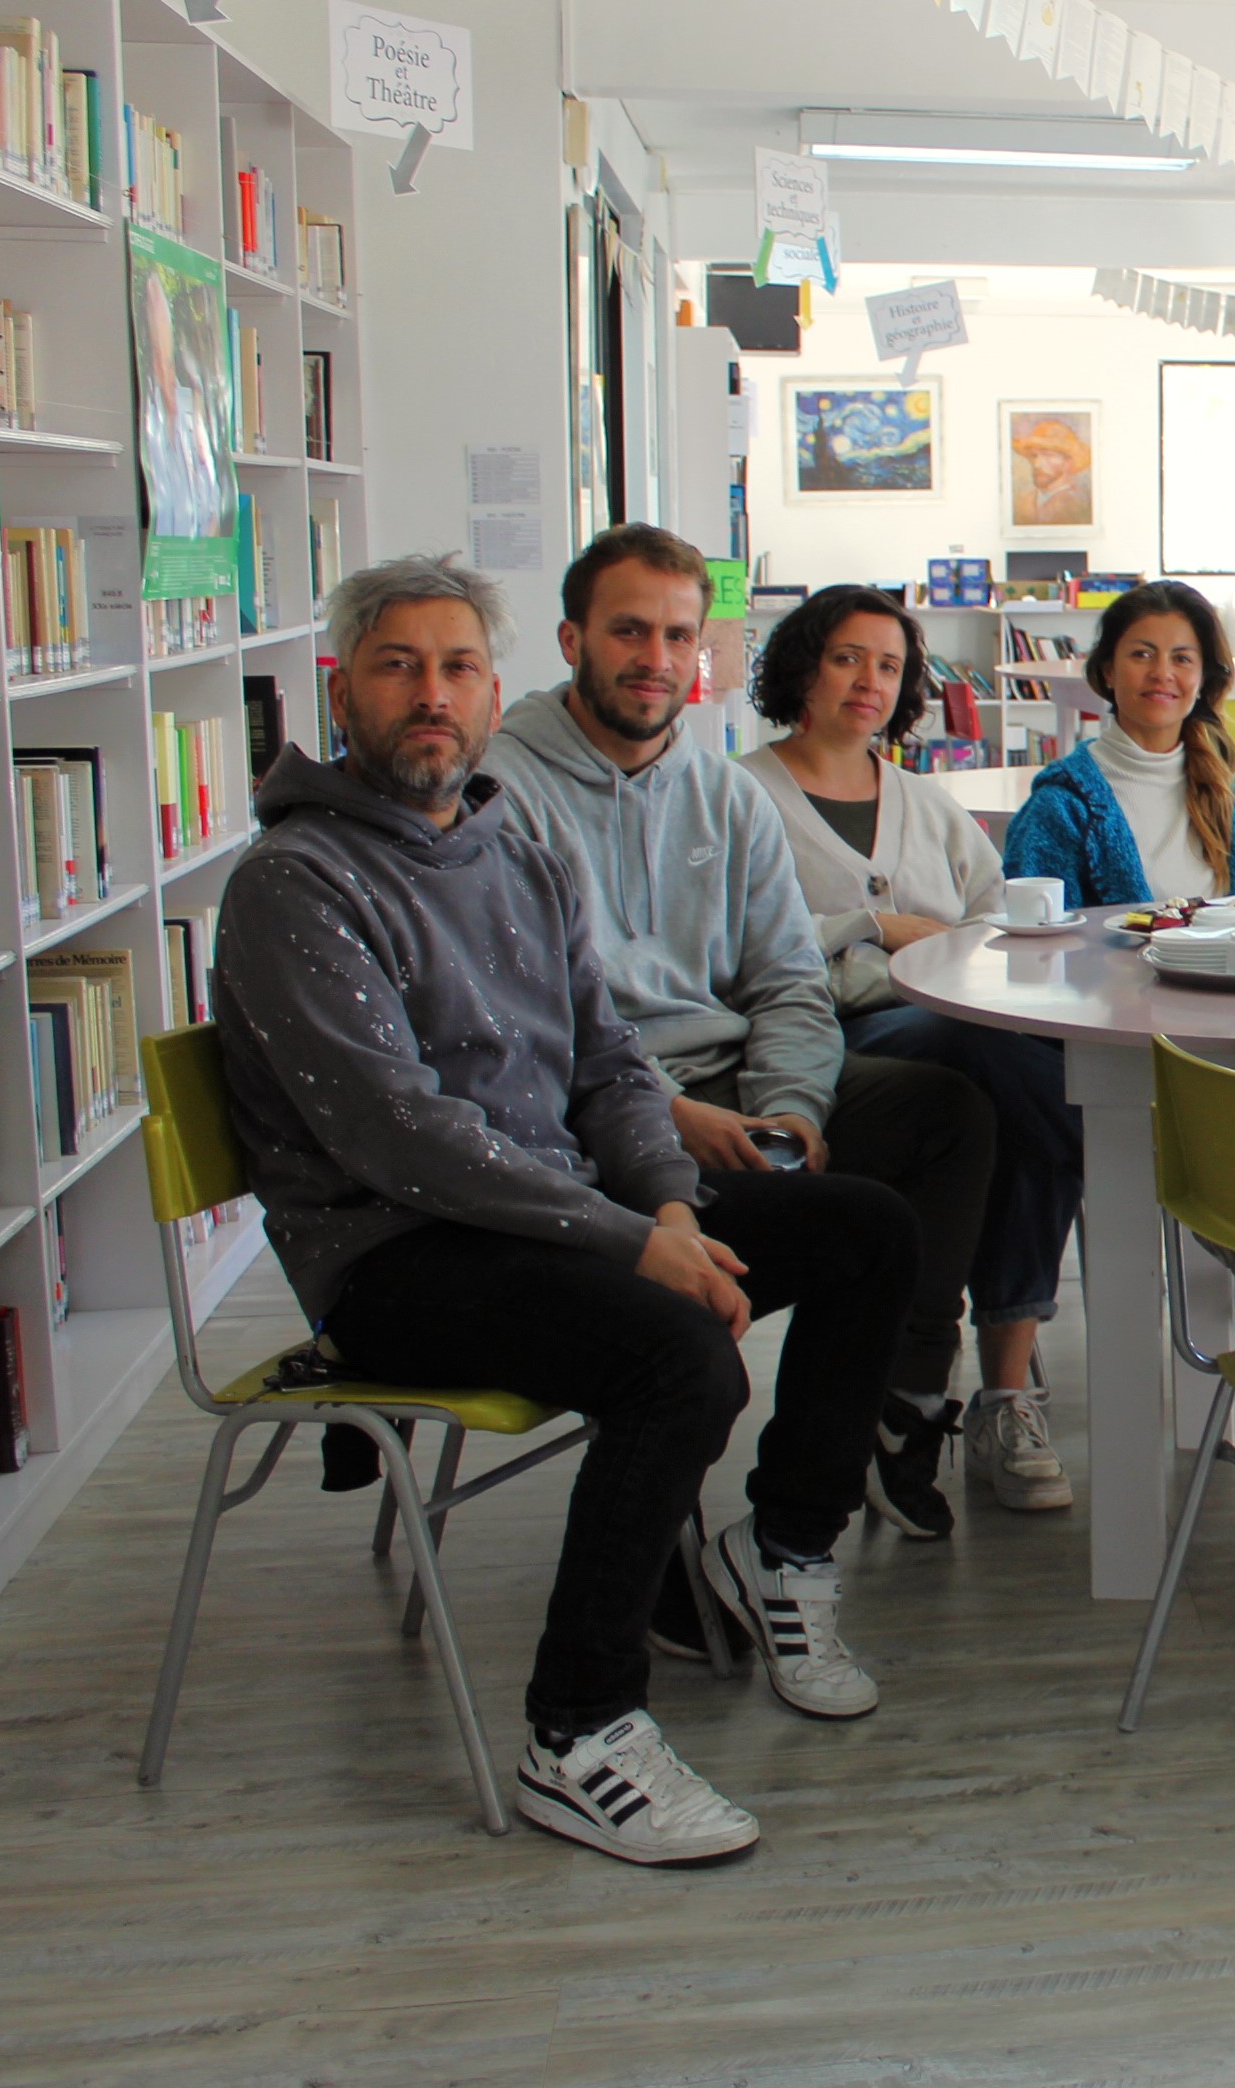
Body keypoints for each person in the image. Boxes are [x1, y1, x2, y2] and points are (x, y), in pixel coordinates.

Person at [213, 557, 919, 1866]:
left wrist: (660, 1191)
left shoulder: (509, 842)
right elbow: (400, 1135)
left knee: (863, 1227)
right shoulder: (295, 882)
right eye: (397, 666)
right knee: (677, 1356)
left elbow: (605, 1062)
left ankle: (785, 1549)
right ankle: (580, 1735)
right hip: (396, 1254)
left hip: (559, 1215)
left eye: (457, 667)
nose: (432, 694)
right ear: (342, 691)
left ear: (494, 691)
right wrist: (634, 1237)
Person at [482, 525, 1000, 1554]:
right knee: (844, 1232)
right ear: (571, 637)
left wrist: (788, 1107)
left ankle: (895, 1404)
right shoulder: (502, 793)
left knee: (950, 1111)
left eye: (679, 634)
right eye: (629, 630)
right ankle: (675, 1508)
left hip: (732, 1088)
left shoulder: (722, 795)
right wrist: (673, 1114)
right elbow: (519, 1024)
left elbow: (788, 981)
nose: (656, 658)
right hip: (600, 1115)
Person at [742, 584, 1080, 1518]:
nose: (869, 681)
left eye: (889, 666)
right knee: (1043, 1088)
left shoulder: (930, 806)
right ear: (802, 667)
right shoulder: (739, 793)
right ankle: (1120, 1151)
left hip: (957, 1038)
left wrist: (919, 942)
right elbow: (738, 942)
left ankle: (924, 1391)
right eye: (848, 657)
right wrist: (872, 925)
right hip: (822, 1038)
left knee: (1009, 1093)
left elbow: (991, 927)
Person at [1001, 580, 1235, 909]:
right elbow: (1039, 941)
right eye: (1142, 654)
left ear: (1203, 677)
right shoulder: (1060, 805)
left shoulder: (1234, 798)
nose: (1161, 672)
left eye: (1182, 659)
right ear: (1108, 670)